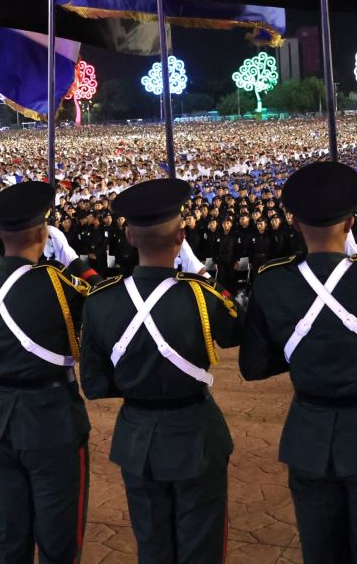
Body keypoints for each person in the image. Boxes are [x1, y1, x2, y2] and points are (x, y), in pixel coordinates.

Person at [239, 161, 357, 564]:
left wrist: (308, 351)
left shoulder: (272, 281)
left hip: (309, 434)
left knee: (321, 552)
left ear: (295, 223)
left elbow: (252, 365)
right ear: (351, 223)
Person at [79, 178, 241, 564]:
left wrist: (141, 380)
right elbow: (237, 332)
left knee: (152, 547)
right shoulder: (202, 294)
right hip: (196, 433)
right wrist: (199, 272)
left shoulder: (102, 301)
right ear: (181, 236)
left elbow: (95, 385)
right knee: (201, 546)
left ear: (130, 238)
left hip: (138, 437)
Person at [0, 180, 93, 564]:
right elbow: (109, 310)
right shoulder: (63, 286)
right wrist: (77, 263)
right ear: (45, 234)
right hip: (54, 417)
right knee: (59, 537)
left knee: (10, 532)